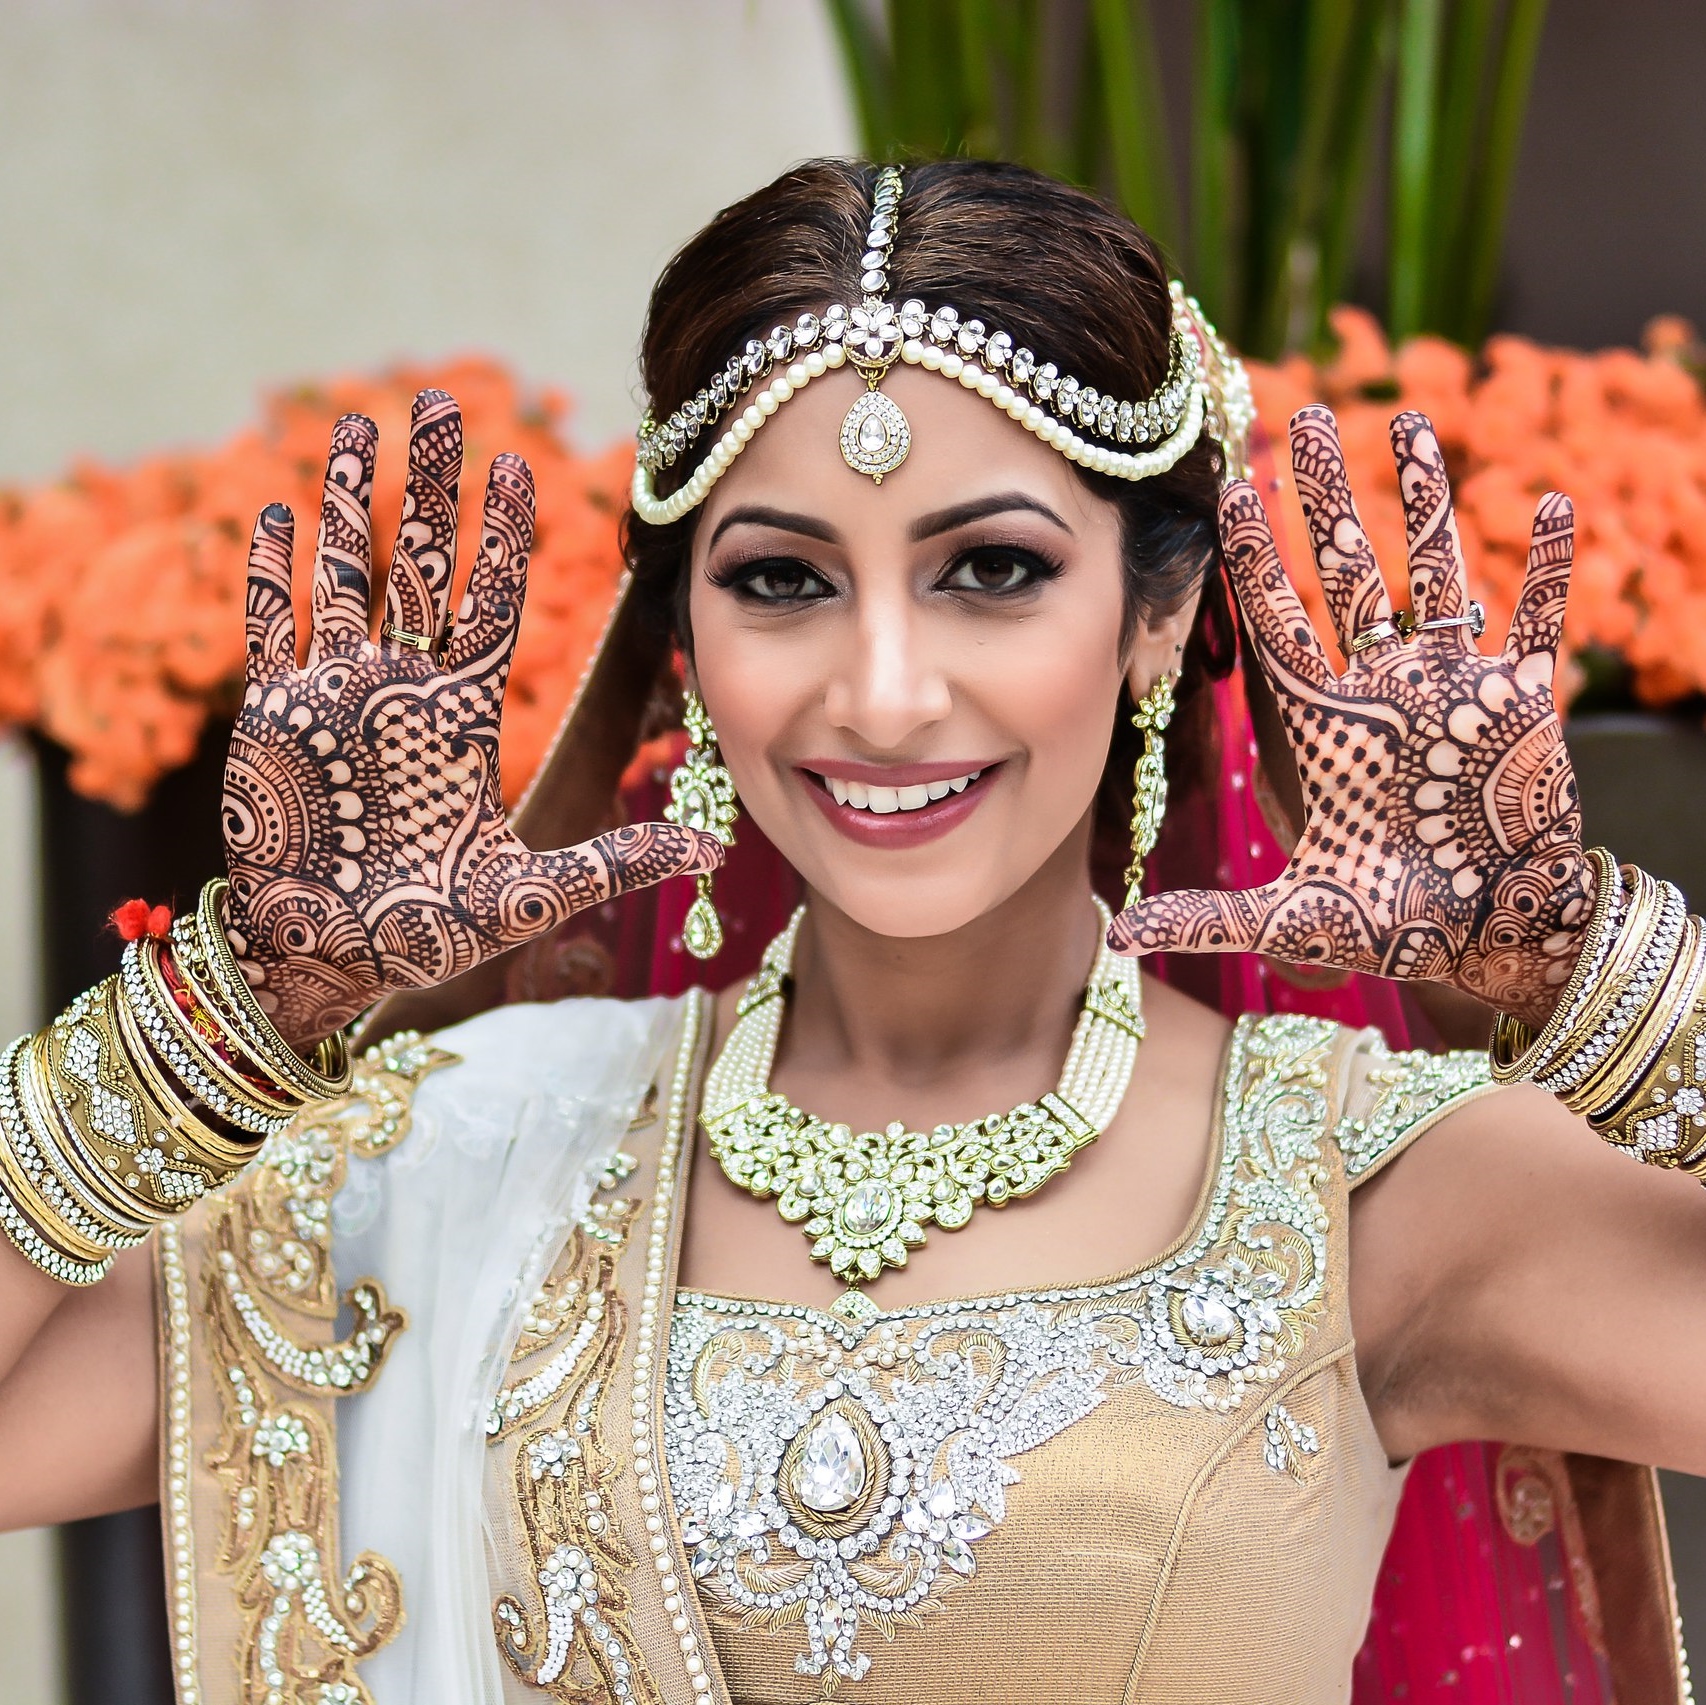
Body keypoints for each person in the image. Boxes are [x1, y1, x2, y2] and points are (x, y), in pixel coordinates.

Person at [0, 157, 1699, 1705]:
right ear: (682, 634)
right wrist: (230, 1011)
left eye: (991, 571)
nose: (881, 694)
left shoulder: (1360, 1186)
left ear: (1159, 606)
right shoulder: (477, 1140)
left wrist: (1585, 967)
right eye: (784, 580)